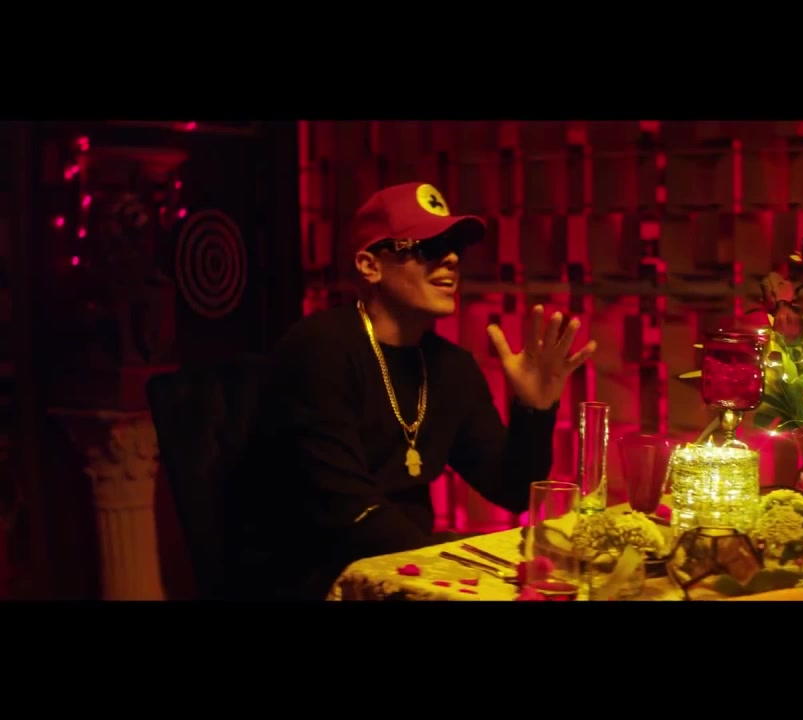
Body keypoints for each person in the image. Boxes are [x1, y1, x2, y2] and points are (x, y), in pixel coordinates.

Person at [233, 182, 596, 599]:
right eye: (428, 247)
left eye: (455, 247)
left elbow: (513, 489)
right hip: (311, 576)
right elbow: (345, 509)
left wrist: (534, 410)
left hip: (403, 567)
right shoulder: (318, 349)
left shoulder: (450, 366)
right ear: (370, 265)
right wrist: (448, 570)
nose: (452, 259)